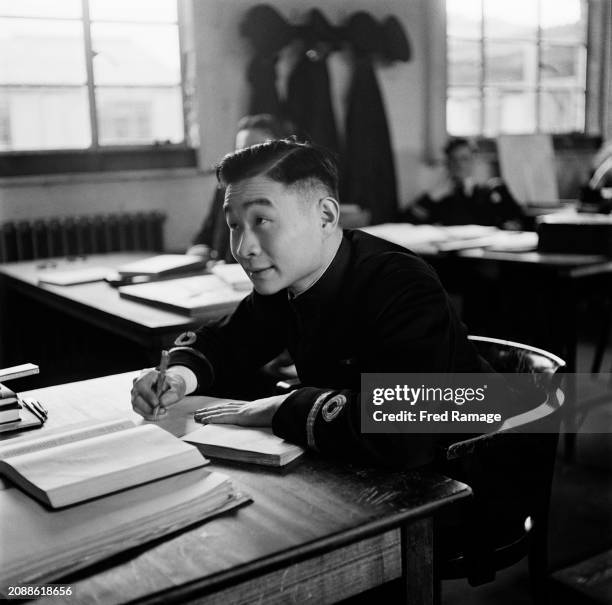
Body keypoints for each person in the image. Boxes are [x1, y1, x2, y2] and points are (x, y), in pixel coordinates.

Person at [132, 139, 496, 468]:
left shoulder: (401, 284)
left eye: (262, 221)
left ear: (325, 216)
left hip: (467, 476)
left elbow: (404, 430)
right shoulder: (290, 280)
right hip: (358, 467)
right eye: (234, 225)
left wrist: (284, 406)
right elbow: (226, 342)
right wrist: (176, 379)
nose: (243, 249)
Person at [187, 114, 293, 263]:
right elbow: (204, 236)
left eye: (255, 149)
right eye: (241, 150)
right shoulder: (225, 189)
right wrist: (197, 249)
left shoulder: (289, 193)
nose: (246, 159)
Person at [404, 137, 526, 229]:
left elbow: (517, 221)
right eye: (453, 160)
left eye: (464, 159)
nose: (459, 165)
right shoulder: (439, 196)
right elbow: (406, 222)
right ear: (447, 163)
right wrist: (432, 197)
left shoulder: (491, 191)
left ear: (474, 160)